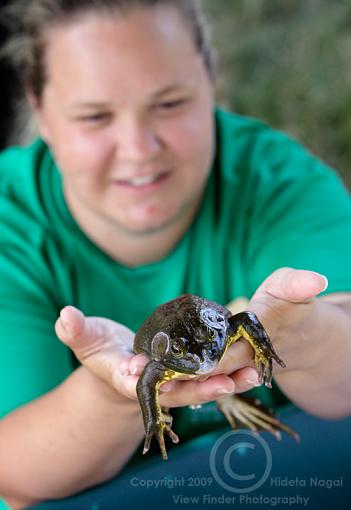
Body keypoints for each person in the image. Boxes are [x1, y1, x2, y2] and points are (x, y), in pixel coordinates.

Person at [0, 0, 351, 507]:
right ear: (41, 111)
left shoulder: (278, 181)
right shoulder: (11, 226)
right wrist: (114, 392)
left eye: (168, 104)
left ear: (211, 82)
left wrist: (299, 329)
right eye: (95, 115)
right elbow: (13, 471)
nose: (139, 149)